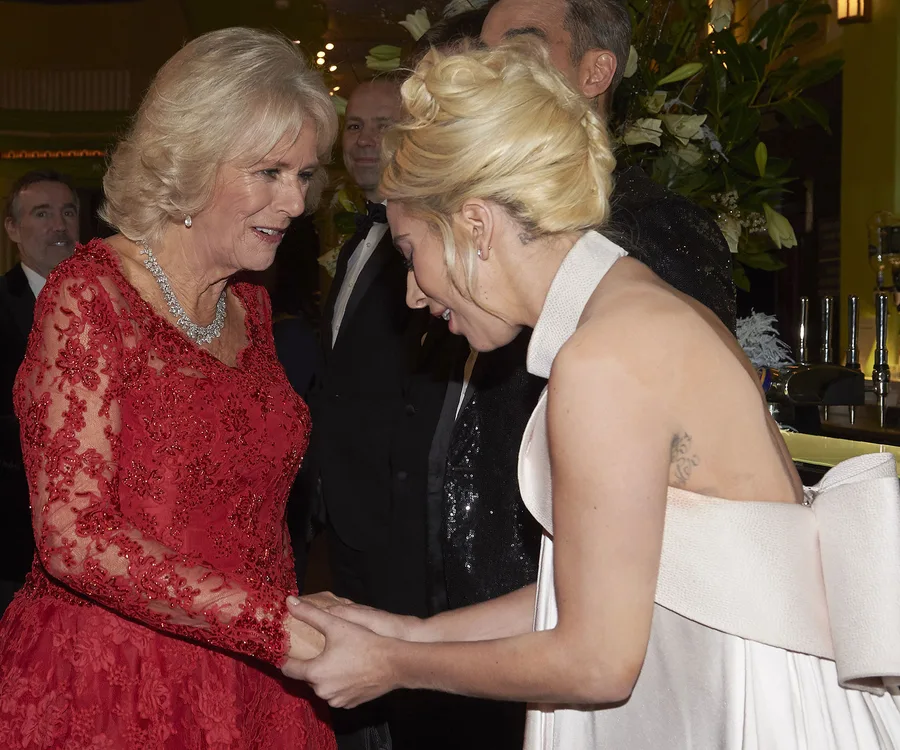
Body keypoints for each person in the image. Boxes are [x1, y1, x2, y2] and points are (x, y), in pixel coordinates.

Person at [284, 43, 900, 749]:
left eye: (411, 251)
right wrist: (408, 631)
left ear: (475, 226)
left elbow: (597, 660)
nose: (413, 293)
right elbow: (607, 581)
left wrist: (393, 663)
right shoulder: (634, 310)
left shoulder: (604, 358)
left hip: (744, 714)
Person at [0, 28, 338, 748]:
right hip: (116, 680)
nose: (297, 202)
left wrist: (289, 622)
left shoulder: (246, 302)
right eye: (271, 172)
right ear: (192, 160)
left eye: (305, 175)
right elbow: (72, 537)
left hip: (257, 679)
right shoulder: (88, 297)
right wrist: (271, 625)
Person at [305, 75, 450, 749]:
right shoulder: (359, 236)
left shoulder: (430, 236)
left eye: (383, 125)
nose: (365, 141)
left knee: (408, 691)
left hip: (401, 519)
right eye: (355, 126)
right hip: (346, 510)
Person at [0, 170, 79, 614]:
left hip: (97, 545)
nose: (58, 225)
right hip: (13, 533)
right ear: (12, 229)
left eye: (67, 213)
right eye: (41, 213)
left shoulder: (113, 302)